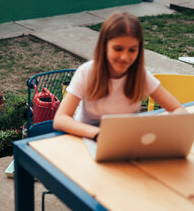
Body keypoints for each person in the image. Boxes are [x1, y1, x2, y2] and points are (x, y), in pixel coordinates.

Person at [53, 11, 187, 140]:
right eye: (118, 49)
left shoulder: (141, 76)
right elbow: (61, 119)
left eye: (132, 50)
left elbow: (178, 109)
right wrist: (99, 134)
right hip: (87, 138)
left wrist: (159, 130)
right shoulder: (87, 72)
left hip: (125, 140)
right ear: (105, 46)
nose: (124, 57)